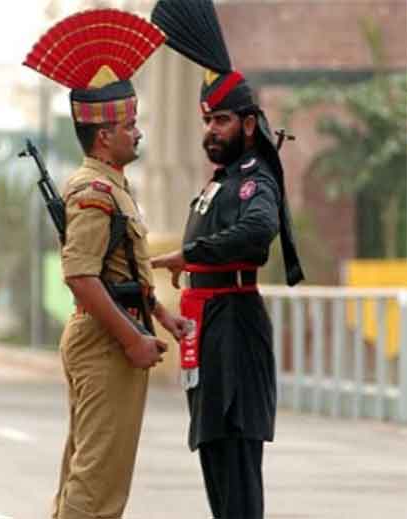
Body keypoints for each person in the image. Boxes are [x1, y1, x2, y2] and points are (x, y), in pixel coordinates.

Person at [23, 9, 186, 519]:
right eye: (129, 125)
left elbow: (123, 275)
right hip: (105, 344)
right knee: (97, 487)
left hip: (112, 335)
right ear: (103, 136)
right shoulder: (93, 189)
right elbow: (81, 277)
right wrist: (132, 339)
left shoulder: (113, 185)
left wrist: (159, 317)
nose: (137, 133)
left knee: (92, 476)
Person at [150, 1, 305, 518]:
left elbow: (258, 232)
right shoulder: (224, 179)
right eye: (207, 121)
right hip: (207, 327)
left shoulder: (253, 177)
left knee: (236, 468)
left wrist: (190, 253)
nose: (212, 130)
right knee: (215, 458)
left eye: (221, 120)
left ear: (247, 122)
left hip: (234, 329)